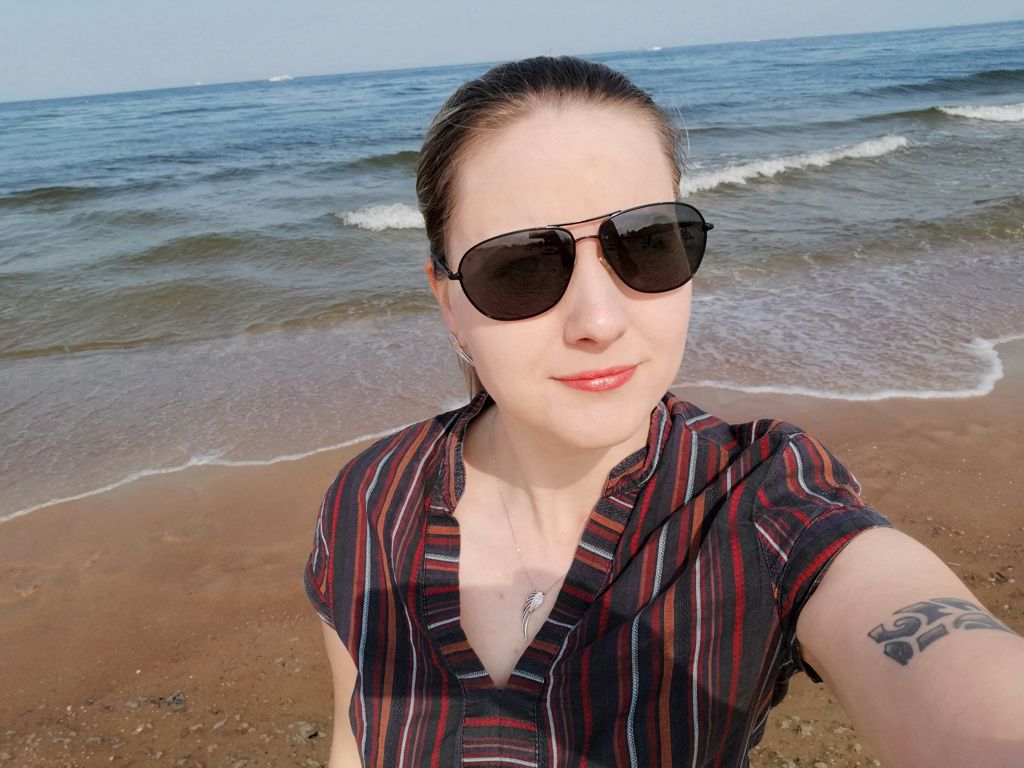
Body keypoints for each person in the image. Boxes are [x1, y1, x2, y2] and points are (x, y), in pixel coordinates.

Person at [304, 56, 1024, 767]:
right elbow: (353, 742)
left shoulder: (755, 502)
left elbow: (917, 633)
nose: (599, 319)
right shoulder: (370, 503)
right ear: (446, 299)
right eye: (521, 265)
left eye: (646, 244)